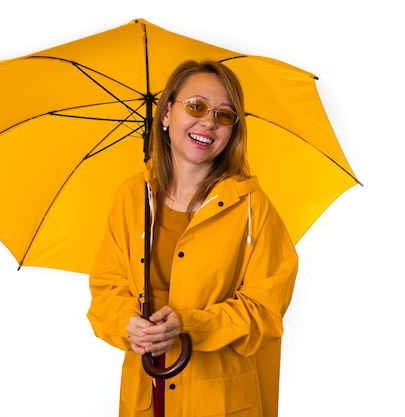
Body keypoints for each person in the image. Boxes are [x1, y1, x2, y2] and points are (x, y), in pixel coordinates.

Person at [87, 60, 298, 417]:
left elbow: (265, 313)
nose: (209, 122)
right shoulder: (131, 197)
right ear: (167, 113)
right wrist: (129, 323)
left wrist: (190, 325)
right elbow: (107, 289)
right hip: (146, 397)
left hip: (220, 403)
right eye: (196, 106)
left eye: (225, 115)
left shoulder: (252, 209)